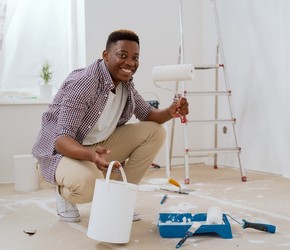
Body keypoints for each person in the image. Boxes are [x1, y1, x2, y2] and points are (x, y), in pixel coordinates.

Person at [32, 29, 189, 223]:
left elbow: (147, 114)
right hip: (63, 151)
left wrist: (170, 111)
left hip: (98, 147)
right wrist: (90, 156)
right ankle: (63, 190)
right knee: (88, 186)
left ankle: (119, 199)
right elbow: (61, 140)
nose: (130, 63)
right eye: (122, 55)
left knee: (155, 132)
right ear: (106, 55)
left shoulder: (125, 83)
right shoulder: (85, 83)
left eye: (135, 57)